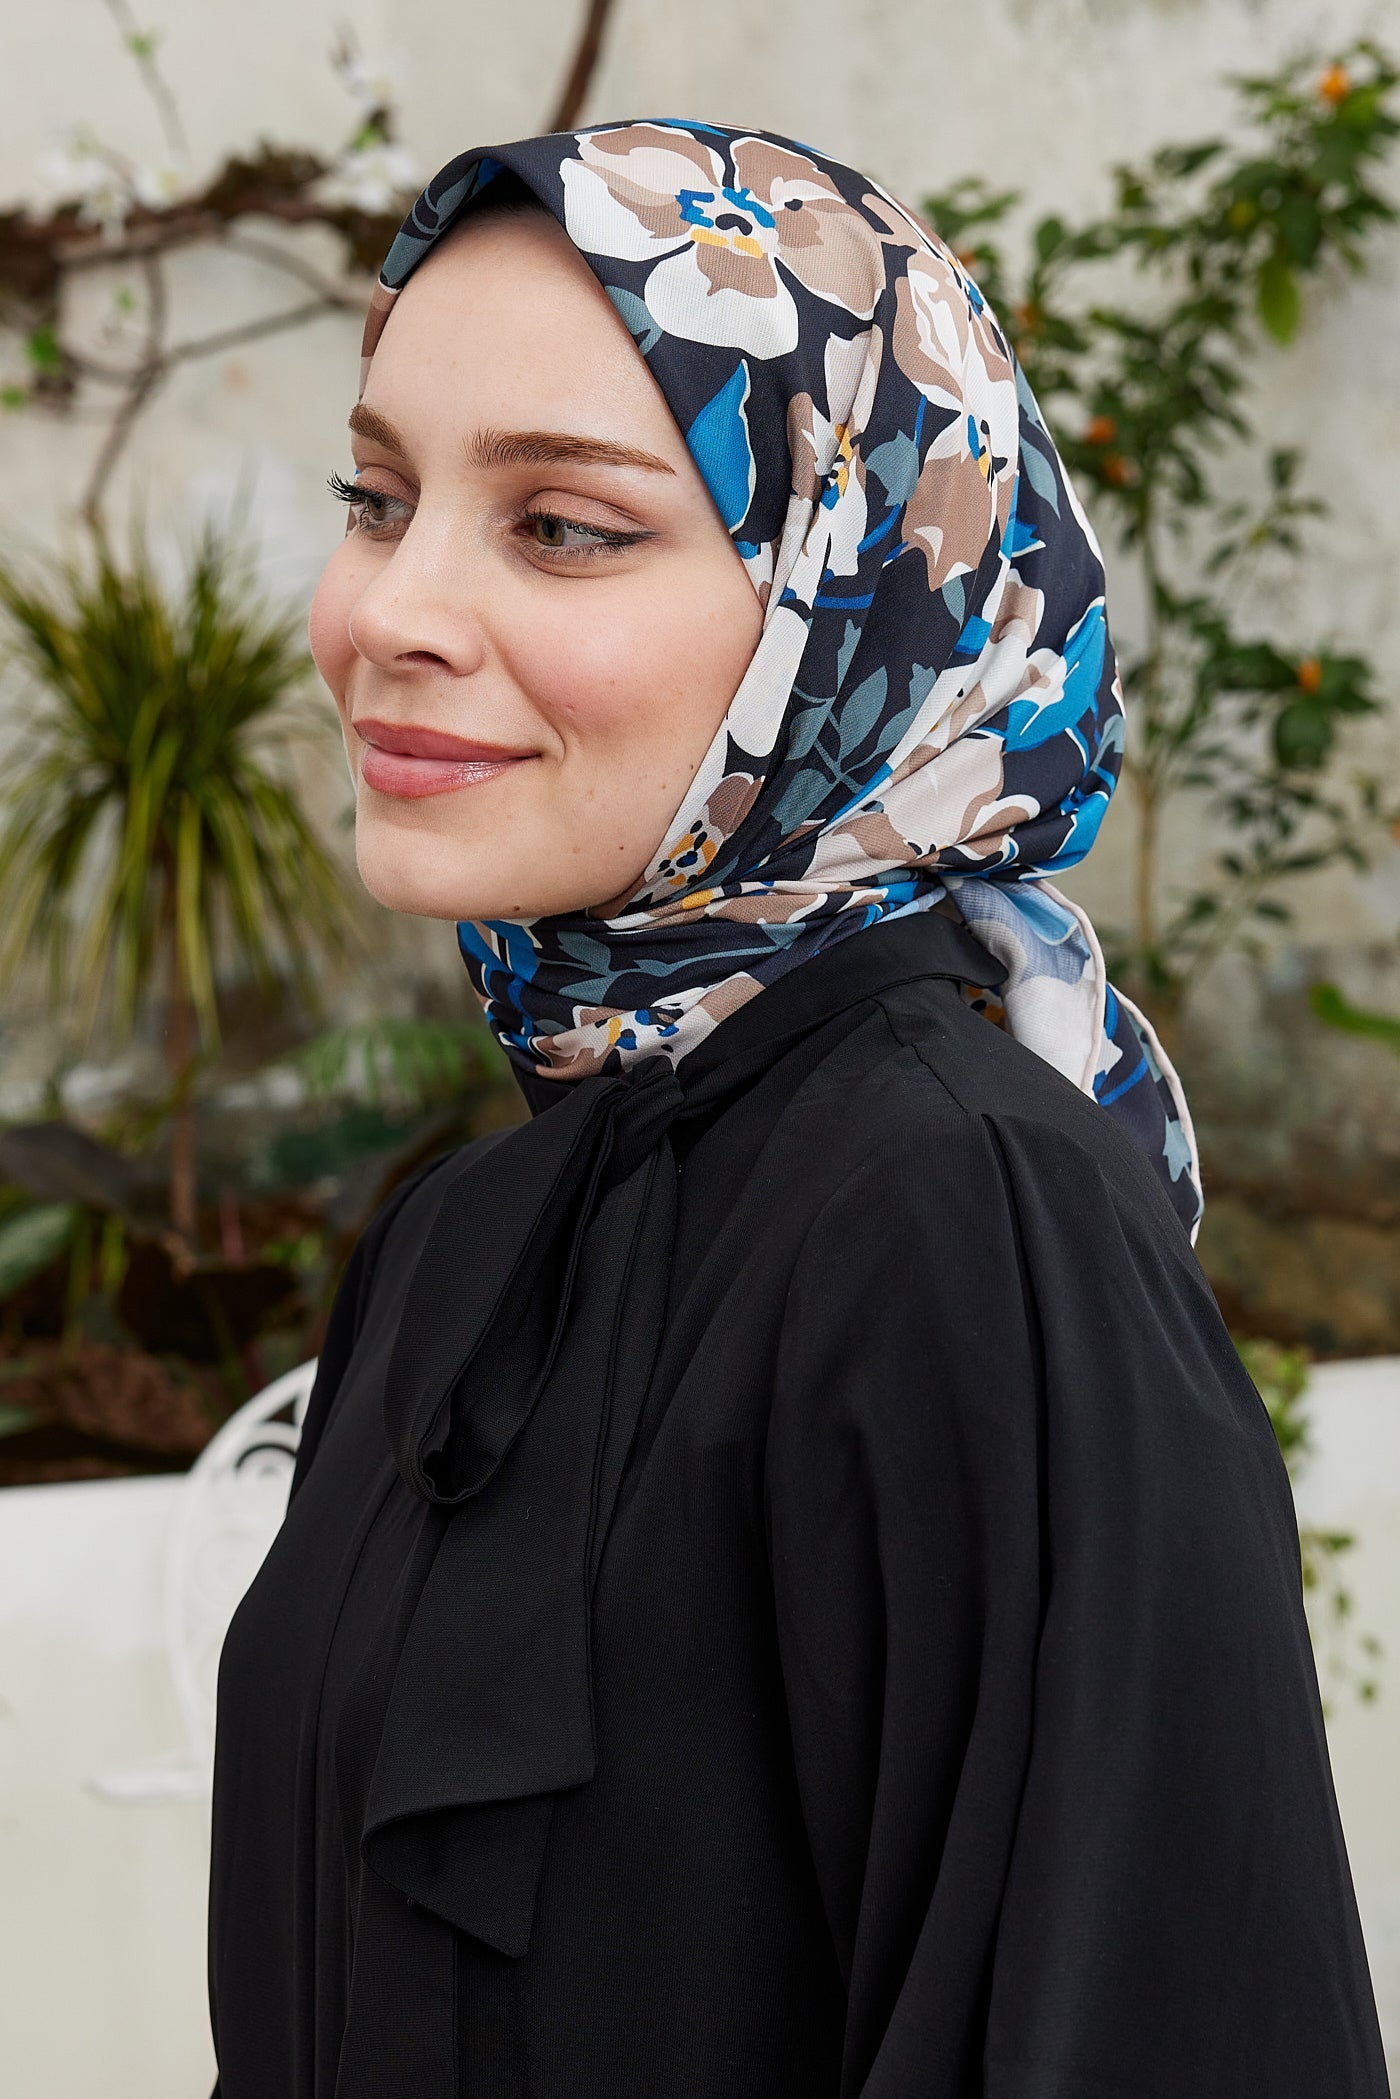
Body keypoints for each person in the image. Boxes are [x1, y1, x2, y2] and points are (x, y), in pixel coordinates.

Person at [207, 123, 1388, 2098]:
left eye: (561, 525)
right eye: (377, 498)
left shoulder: (960, 1223)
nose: (388, 611)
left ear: (841, 600)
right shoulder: (463, 1245)